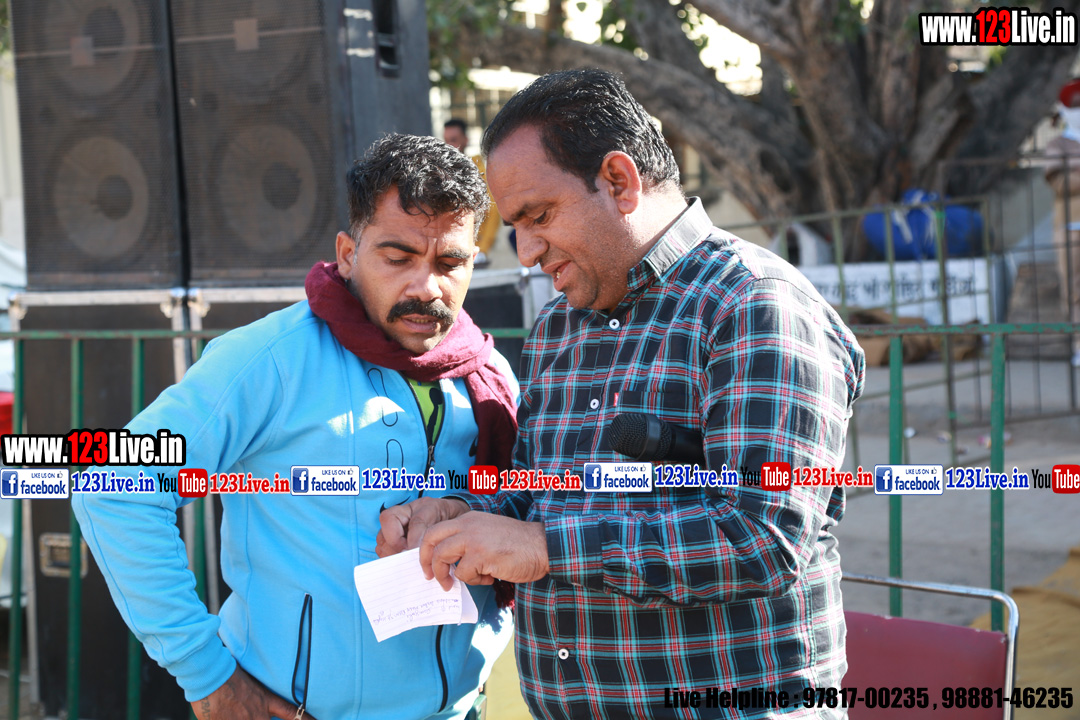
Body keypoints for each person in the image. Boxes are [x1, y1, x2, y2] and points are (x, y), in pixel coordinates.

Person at [380, 70, 866, 719]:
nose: (525, 252)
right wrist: (460, 516)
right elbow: (540, 495)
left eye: (539, 216)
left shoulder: (753, 306)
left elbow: (761, 538)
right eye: (515, 226)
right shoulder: (560, 325)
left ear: (619, 180)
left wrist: (545, 549)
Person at [72, 134, 518, 720]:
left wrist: (464, 509)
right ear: (348, 253)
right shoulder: (270, 359)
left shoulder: (488, 373)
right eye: (398, 257)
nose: (426, 287)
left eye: (449, 263)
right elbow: (111, 485)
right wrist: (205, 672)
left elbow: (529, 511)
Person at [1045, 78, 1080, 367]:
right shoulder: (1057, 144)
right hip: (1072, 227)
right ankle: (1079, 344)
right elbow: (1060, 183)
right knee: (1074, 290)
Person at [443, 118, 501, 267]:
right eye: (446, 140)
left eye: (454, 140)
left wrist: (483, 249)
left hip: (474, 251)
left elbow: (492, 210)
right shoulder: (441, 172)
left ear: (466, 140)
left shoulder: (478, 170)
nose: (450, 145)